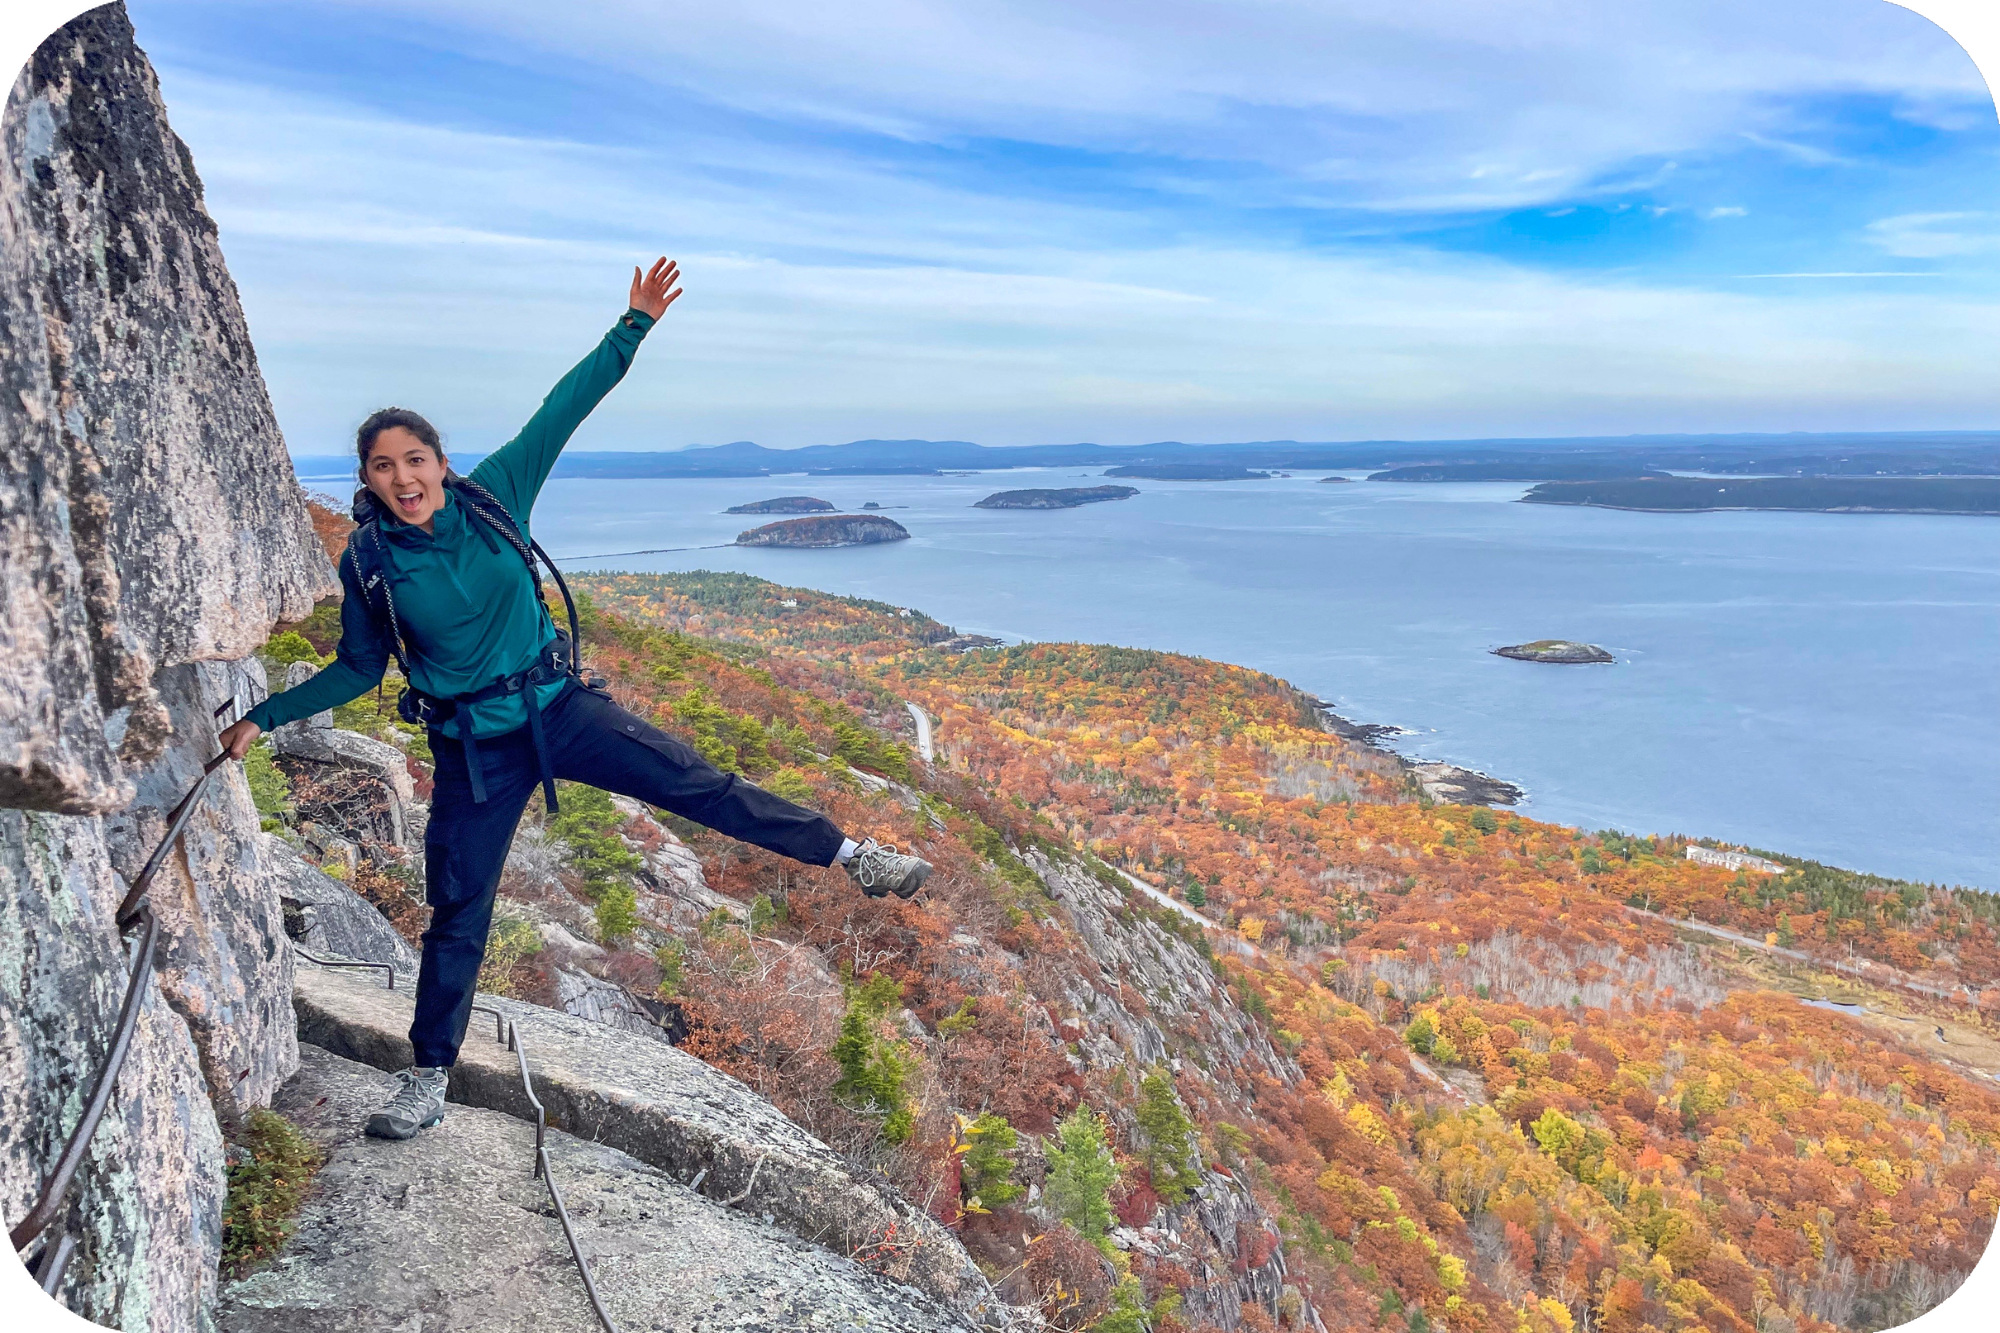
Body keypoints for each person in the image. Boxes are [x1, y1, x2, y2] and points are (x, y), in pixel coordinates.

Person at [219, 258, 931, 1140]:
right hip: (472, 750)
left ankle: (853, 853)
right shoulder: (368, 563)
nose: (402, 478)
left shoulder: (497, 498)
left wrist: (633, 324)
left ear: (440, 462)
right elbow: (358, 670)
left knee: (698, 782)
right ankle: (429, 1074)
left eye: (414, 459)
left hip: (559, 710)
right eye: (382, 467)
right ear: (366, 481)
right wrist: (265, 716)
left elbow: (566, 405)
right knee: (458, 908)